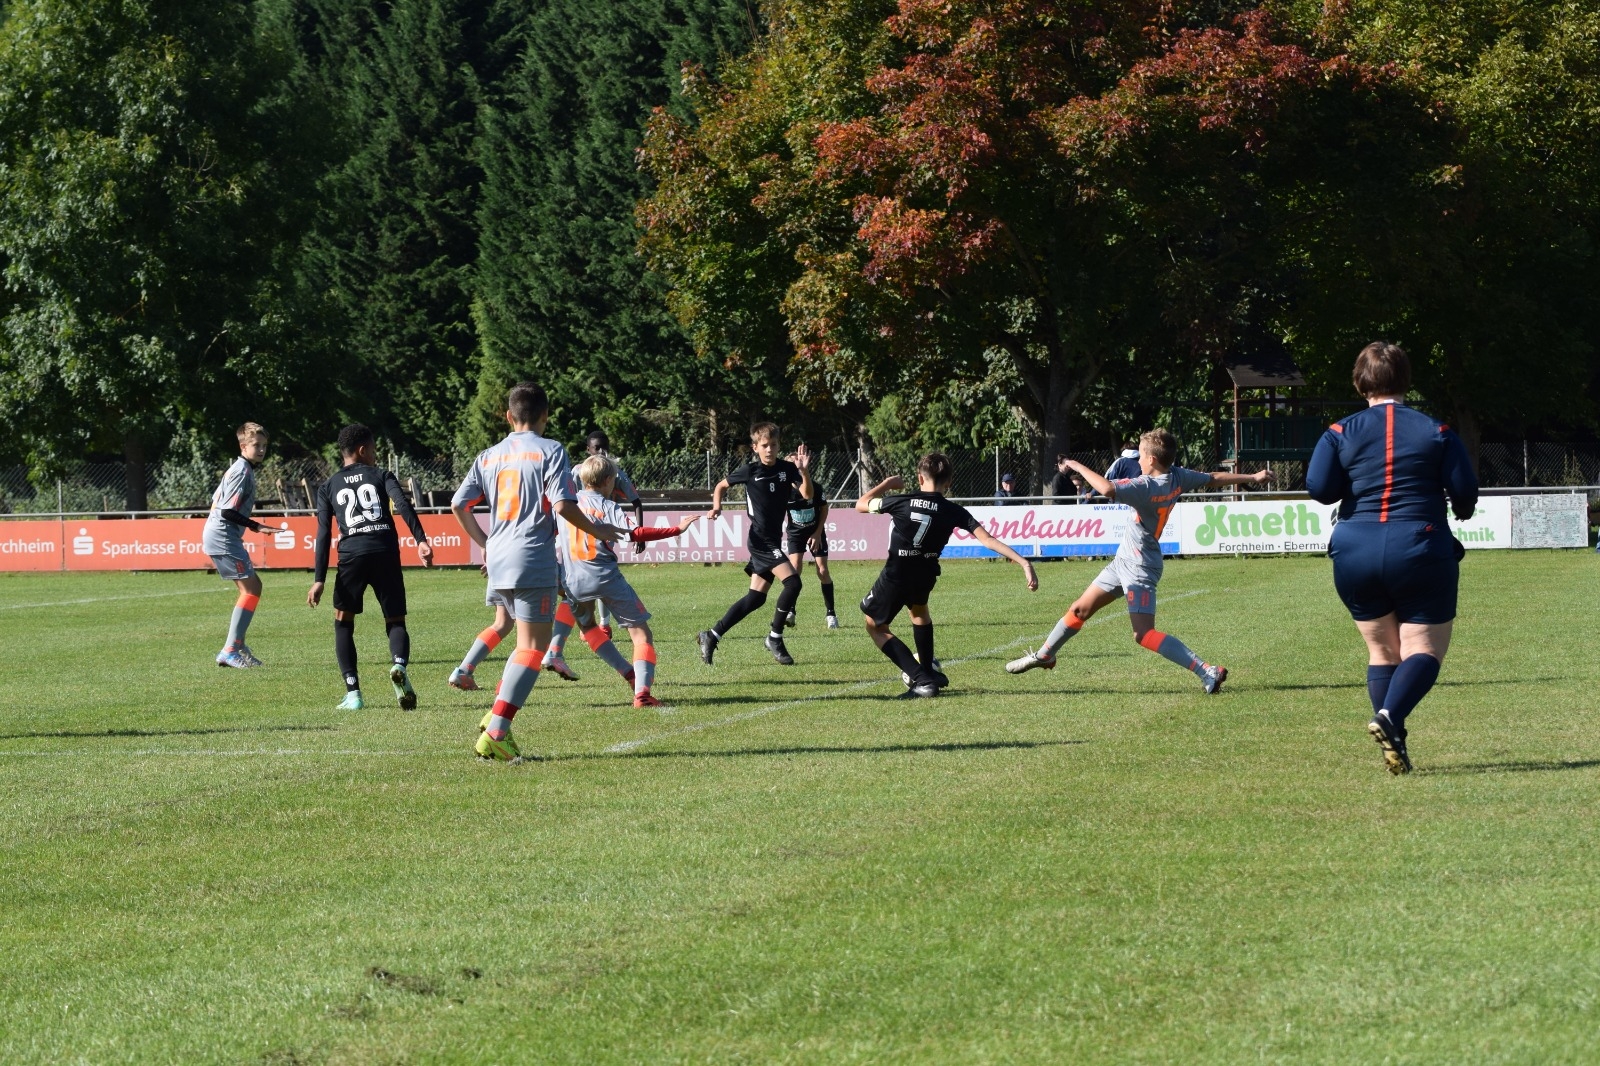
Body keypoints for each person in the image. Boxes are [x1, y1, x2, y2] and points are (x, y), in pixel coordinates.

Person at [1306, 342, 1478, 774]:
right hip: (1419, 544)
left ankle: (1393, 739)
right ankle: (1390, 717)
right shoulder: (1437, 431)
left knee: (1382, 650)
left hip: (1354, 547)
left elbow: (1319, 488)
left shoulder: (1339, 431)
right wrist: (1456, 507)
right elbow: (1465, 496)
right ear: (1406, 380)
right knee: (1423, 648)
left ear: (1359, 382)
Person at [1007, 429, 1271, 691]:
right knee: (1079, 610)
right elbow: (1213, 477)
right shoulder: (1177, 476)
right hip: (1124, 561)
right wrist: (1253, 476)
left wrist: (1074, 464)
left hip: (1141, 567)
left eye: (1141, 457)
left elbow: (1108, 488)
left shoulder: (1146, 486)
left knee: (1144, 634)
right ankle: (1045, 654)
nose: (1138, 463)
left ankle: (1207, 671)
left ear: (1152, 460)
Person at [451, 383, 626, 764]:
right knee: (532, 648)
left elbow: (459, 503)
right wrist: (599, 530)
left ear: (508, 416)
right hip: (532, 558)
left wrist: (484, 542)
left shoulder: (488, 455)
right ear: (545, 416)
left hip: (498, 559)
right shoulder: (551, 449)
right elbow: (563, 505)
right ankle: (498, 731)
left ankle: (494, 719)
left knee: (521, 643)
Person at [858, 453, 1038, 697]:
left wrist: (888, 484)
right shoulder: (954, 511)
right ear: (949, 483)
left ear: (920, 478)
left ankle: (921, 680)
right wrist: (1023, 562)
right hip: (926, 573)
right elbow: (988, 540)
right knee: (919, 613)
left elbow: (861, 504)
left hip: (897, 573)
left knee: (875, 626)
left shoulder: (902, 501)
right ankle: (929, 672)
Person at [542, 455, 701, 706]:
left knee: (590, 629)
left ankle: (628, 673)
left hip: (573, 580)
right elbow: (634, 533)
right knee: (642, 636)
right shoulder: (608, 507)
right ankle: (642, 694)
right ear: (608, 481)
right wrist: (676, 529)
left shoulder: (566, 505)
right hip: (605, 576)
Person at [307, 424, 435, 710]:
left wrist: (319, 579)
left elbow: (323, 534)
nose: (376, 455)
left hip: (351, 556)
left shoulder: (328, 486)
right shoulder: (381, 475)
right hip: (384, 551)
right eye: (374, 449)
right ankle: (399, 665)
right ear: (363, 450)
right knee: (395, 620)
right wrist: (421, 540)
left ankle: (353, 694)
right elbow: (402, 503)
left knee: (343, 623)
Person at [697, 425, 812, 667]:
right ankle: (775, 637)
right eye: (764, 445)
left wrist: (804, 472)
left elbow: (807, 494)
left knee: (756, 598)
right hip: (760, 540)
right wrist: (717, 506)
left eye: (773, 445)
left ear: (779, 446)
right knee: (793, 582)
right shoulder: (750, 470)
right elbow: (720, 485)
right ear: (755, 447)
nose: (769, 450)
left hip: (772, 539)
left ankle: (711, 635)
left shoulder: (787, 469)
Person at [203, 422, 272, 668]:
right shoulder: (241, 470)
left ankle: (238, 644)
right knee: (251, 589)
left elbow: (215, 504)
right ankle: (230, 649)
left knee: (252, 588)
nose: (262, 449)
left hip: (221, 535)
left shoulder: (240, 468)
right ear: (243, 446)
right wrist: (257, 526)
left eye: (264, 445)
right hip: (224, 535)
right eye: (256, 445)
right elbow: (226, 512)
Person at [782, 449, 839, 629]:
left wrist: (817, 532)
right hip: (795, 533)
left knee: (822, 571)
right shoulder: (783, 491)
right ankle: (790, 610)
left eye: (799, 463)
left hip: (815, 531)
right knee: (795, 569)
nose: (796, 467)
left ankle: (831, 614)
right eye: (792, 464)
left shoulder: (814, 487)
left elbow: (824, 508)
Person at [446, 584, 514, 692]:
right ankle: (509, 684)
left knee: (502, 624)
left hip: (498, 573)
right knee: (533, 634)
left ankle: (464, 671)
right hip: (523, 575)